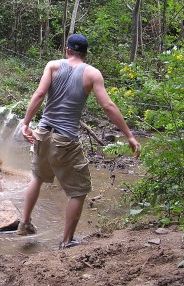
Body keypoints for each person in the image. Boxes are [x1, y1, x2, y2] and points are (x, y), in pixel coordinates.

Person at [17, 34, 141, 249]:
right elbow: (108, 106)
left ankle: (24, 223)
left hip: (43, 132)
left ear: (67, 50)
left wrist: (25, 123)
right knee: (79, 191)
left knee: (37, 177)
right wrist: (129, 135)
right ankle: (66, 241)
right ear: (86, 53)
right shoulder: (92, 73)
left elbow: (39, 94)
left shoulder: (53, 66)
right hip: (65, 139)